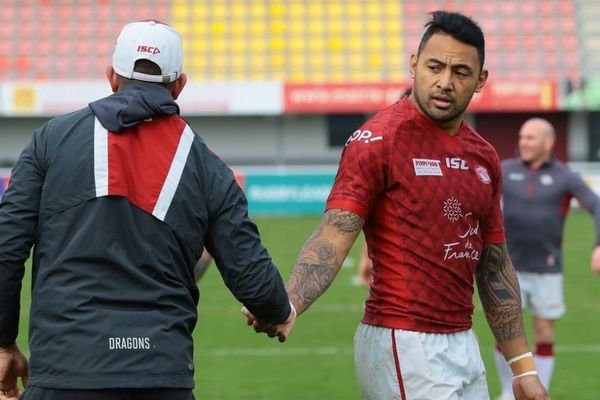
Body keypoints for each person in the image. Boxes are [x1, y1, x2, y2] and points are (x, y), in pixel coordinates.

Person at [244, 11, 548, 400]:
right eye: (435, 67)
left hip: (463, 343)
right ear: (414, 65)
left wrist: (522, 366)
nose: (444, 82)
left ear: (480, 81)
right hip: (404, 342)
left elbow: (495, 266)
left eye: (460, 72)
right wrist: (289, 303)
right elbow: (334, 235)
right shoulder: (378, 140)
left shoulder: (484, 157)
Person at [0, 20, 295, 400]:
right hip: (160, 375)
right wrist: (279, 310)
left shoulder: (49, 141)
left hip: (65, 371)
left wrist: (4, 343)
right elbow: (253, 279)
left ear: (111, 77)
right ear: (179, 85)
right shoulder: (205, 163)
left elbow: (6, 248)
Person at [493, 117, 600, 400]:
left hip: (548, 270)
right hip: (508, 268)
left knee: (544, 333)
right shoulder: (505, 170)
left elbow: (596, 204)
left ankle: (540, 394)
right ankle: (508, 391)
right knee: (504, 334)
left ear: (548, 142)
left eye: (530, 138)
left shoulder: (565, 175)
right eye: (521, 137)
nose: (522, 142)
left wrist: (599, 245)